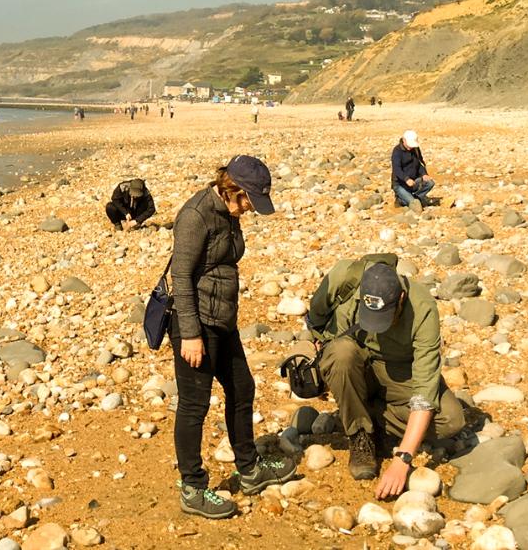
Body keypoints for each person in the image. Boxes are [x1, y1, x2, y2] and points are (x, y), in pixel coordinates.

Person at [169, 155, 296, 518]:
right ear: (230, 189)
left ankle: (249, 468)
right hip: (194, 324)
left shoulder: (230, 213)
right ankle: (192, 488)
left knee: (242, 389)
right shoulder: (195, 216)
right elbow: (181, 278)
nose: (248, 209)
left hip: (222, 320)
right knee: (195, 405)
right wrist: (190, 335)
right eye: (246, 201)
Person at [307, 254, 467, 495]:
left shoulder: (422, 308)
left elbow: (424, 388)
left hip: (399, 372)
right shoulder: (345, 277)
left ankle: (365, 413)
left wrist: (403, 457)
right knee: (340, 352)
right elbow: (316, 319)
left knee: (451, 420)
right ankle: (360, 434)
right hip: (354, 362)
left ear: (401, 299)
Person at [391, 130, 434, 211]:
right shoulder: (397, 151)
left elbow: (419, 164)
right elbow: (397, 169)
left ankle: (411, 197)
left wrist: (424, 174)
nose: (411, 147)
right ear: (403, 140)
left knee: (430, 183)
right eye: (409, 144)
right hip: (400, 184)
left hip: (414, 181)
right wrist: (406, 179)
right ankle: (401, 200)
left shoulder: (415, 149)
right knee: (414, 203)